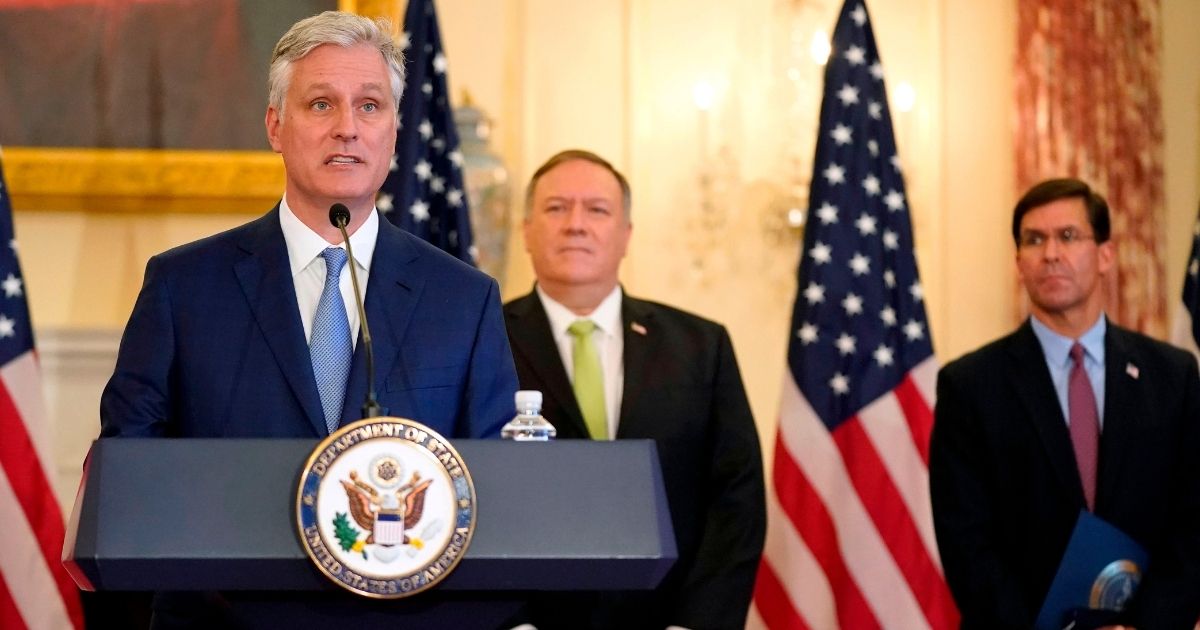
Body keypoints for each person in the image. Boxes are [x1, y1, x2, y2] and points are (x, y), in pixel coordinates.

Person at [98, 11, 518, 628]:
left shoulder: (464, 298)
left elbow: (497, 484)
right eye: (320, 104)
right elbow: (131, 465)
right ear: (275, 125)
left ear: (395, 131)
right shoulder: (183, 286)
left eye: (369, 106)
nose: (347, 128)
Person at [503, 149, 766, 630]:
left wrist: (697, 623)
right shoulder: (484, 340)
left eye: (597, 210)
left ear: (626, 235)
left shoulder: (701, 346)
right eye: (556, 208)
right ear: (526, 230)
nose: (576, 225)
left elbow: (736, 500)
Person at [930, 178, 1200, 628]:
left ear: (1105, 256)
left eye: (1068, 236)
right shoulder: (970, 386)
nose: (1050, 253)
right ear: (1019, 262)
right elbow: (968, 545)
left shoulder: (1173, 376)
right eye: (1034, 240)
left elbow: (1194, 524)